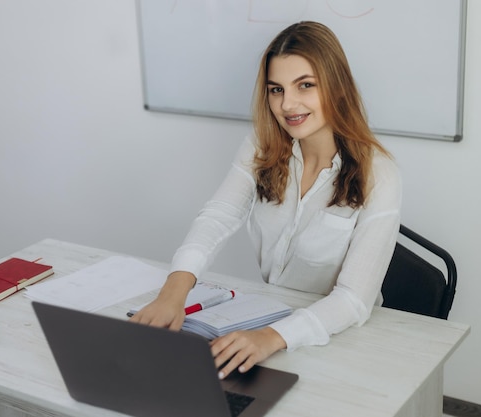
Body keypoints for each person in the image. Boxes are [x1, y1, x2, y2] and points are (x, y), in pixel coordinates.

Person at [130, 21, 401, 379]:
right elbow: (218, 216)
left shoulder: (380, 174)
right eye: (277, 89)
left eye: (305, 85)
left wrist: (271, 338)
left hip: (339, 336)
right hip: (273, 318)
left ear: (336, 87)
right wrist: (173, 290)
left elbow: (353, 300)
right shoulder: (264, 146)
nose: (288, 104)